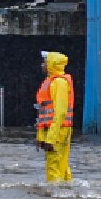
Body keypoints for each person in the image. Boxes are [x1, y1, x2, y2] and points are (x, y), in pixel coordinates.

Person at [35, 51, 74, 183]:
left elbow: (60, 112)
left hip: (59, 131)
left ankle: (55, 198)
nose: (42, 65)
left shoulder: (59, 83)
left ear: (51, 64)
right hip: (55, 130)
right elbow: (44, 114)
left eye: (45, 62)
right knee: (60, 165)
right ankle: (65, 194)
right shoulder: (51, 82)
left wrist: (50, 138)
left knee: (54, 165)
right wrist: (41, 137)